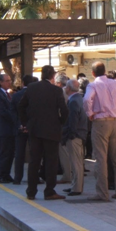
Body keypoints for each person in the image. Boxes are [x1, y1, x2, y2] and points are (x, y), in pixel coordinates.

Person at [83, 61, 116, 201]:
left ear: (93, 73)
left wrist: (90, 113)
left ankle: (102, 193)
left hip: (100, 123)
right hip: (115, 122)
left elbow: (87, 99)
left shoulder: (93, 85)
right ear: (105, 71)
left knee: (101, 159)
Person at [19, 65, 68, 200]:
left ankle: (31, 191)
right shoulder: (56, 91)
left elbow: (21, 106)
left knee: (34, 162)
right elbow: (64, 110)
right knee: (51, 161)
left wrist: (26, 123)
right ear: (53, 76)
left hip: (34, 130)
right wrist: (60, 122)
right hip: (52, 131)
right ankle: (49, 191)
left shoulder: (31, 88)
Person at [60, 79, 88, 196]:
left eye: (66, 86)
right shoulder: (79, 99)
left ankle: (76, 188)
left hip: (75, 135)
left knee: (76, 162)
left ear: (69, 88)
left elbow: (73, 120)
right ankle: (75, 185)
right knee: (77, 162)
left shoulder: (73, 102)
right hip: (79, 134)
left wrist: (70, 135)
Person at [0, 74, 17, 183]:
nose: (9, 82)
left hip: (10, 129)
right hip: (4, 129)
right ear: (1, 82)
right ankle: (1, 175)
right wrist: (15, 117)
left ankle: (6, 174)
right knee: (4, 153)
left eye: (10, 80)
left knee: (10, 153)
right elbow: (2, 111)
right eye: (7, 81)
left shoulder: (8, 94)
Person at [11, 74, 34, 185]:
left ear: (23, 83)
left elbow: (13, 113)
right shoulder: (35, 95)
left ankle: (17, 178)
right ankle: (33, 177)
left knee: (19, 153)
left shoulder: (16, 96)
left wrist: (20, 124)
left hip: (20, 128)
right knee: (34, 153)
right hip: (32, 128)